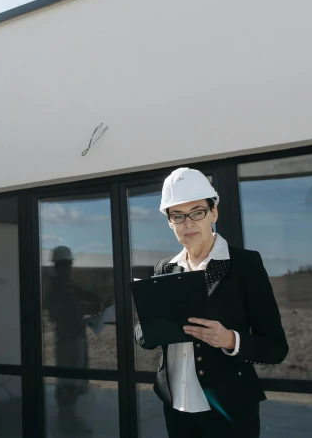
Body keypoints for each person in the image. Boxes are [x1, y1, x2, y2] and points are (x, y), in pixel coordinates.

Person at [135, 168, 289, 437]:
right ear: (169, 222)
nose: (188, 223)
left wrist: (229, 339)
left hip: (230, 408)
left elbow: (275, 347)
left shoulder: (244, 265)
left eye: (197, 212)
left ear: (213, 213)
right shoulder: (165, 268)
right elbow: (144, 335)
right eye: (178, 216)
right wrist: (149, 324)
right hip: (176, 406)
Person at [46, 245, 102, 435]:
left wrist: (94, 302)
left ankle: (70, 417)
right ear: (59, 265)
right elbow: (64, 311)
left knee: (75, 377)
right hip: (68, 338)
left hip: (74, 336)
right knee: (68, 380)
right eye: (65, 264)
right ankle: (67, 419)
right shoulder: (58, 286)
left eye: (68, 264)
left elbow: (84, 296)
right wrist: (86, 309)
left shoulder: (66, 284)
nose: (68, 267)